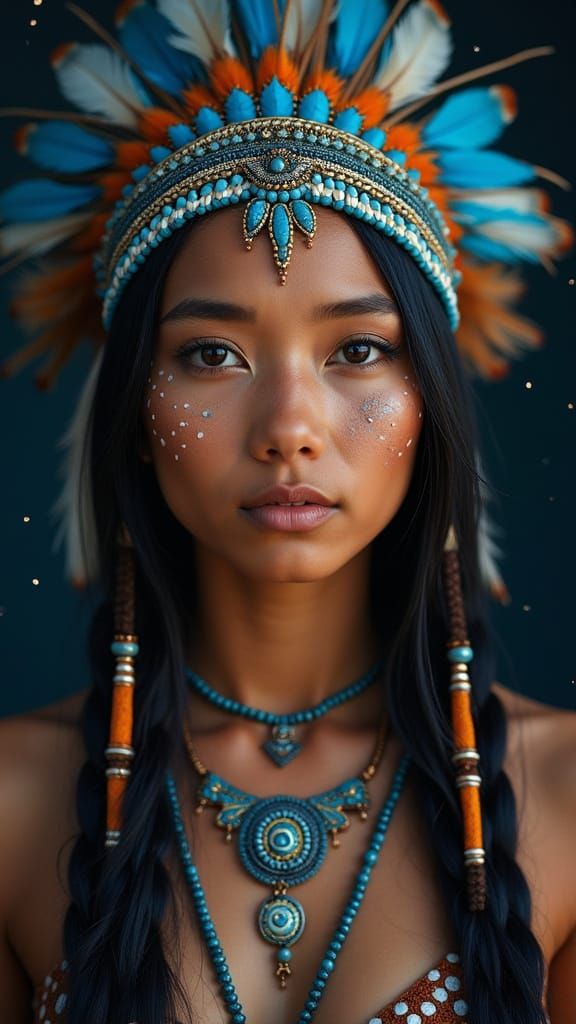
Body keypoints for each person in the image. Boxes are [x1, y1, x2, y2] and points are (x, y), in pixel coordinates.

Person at [0, 2, 574, 1023]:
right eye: (211, 354)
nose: (290, 427)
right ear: (137, 408)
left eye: (358, 349)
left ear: (429, 402)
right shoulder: (12, 804)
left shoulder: (567, 799)